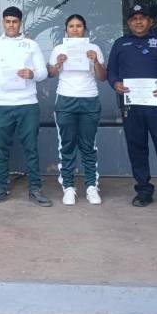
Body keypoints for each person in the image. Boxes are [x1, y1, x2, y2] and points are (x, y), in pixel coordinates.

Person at [107, 5, 157, 213]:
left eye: (142, 18)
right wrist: (115, 83)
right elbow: (111, 71)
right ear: (128, 23)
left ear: (150, 21)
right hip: (131, 105)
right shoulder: (120, 44)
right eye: (134, 18)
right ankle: (143, 191)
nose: (138, 21)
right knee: (137, 149)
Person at [0, 6, 52, 207]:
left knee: (31, 148)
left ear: (20, 23)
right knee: (0, 148)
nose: (11, 25)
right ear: (3, 22)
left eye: (15, 21)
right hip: (1, 104)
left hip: (27, 104)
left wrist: (32, 74)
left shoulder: (31, 45)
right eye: (8, 21)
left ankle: (35, 189)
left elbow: (43, 73)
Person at [47, 14, 106, 206]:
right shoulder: (59, 48)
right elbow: (50, 73)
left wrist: (95, 61)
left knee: (89, 146)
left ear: (84, 29)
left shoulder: (94, 48)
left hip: (89, 99)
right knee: (66, 145)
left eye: (78, 26)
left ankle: (91, 186)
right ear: (66, 30)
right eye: (71, 26)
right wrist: (58, 64)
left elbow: (102, 77)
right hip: (65, 99)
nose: (75, 29)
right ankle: (68, 187)